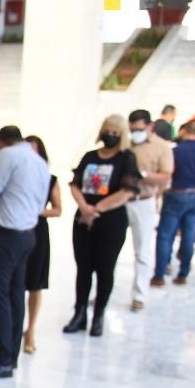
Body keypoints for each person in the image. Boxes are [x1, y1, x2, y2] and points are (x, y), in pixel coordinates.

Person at [0, 126, 50, 378]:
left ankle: (3, 358)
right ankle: (9, 354)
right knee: (16, 294)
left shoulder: (9, 155)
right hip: (28, 234)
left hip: (6, 235)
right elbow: (40, 202)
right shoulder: (39, 161)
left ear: (2, 142)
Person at [64, 115, 141, 337]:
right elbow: (75, 184)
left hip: (111, 221)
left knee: (105, 269)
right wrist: (84, 207)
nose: (111, 136)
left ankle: (98, 315)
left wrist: (97, 209)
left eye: (115, 133)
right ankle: (79, 313)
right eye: (108, 131)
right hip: (84, 219)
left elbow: (127, 191)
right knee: (83, 268)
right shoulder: (90, 156)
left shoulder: (126, 158)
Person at [153, 121, 195, 284]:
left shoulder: (175, 152)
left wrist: (158, 195)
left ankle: (160, 274)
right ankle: (183, 274)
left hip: (175, 194)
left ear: (183, 132)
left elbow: (167, 174)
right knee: (189, 235)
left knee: (165, 235)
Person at [126, 109, 174, 311]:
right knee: (108, 250)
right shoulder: (125, 142)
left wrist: (143, 175)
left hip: (143, 200)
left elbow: (166, 176)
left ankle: (139, 295)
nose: (135, 133)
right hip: (120, 200)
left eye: (138, 129)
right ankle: (102, 293)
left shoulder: (161, 147)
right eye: (132, 129)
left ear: (149, 126)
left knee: (142, 251)